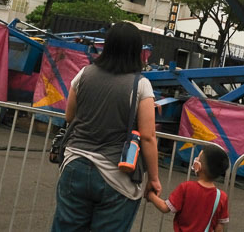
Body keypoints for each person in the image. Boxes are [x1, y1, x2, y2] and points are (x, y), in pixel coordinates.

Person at [51, 22, 161, 231]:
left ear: (108, 46)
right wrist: (153, 178)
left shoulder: (84, 74)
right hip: (116, 176)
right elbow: (148, 137)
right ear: (136, 51)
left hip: (75, 164)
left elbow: (69, 115)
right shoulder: (141, 85)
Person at [146, 144, 230, 231]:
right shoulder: (222, 197)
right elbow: (219, 228)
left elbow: (165, 207)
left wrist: (150, 195)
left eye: (198, 158)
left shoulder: (186, 188)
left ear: (198, 166)